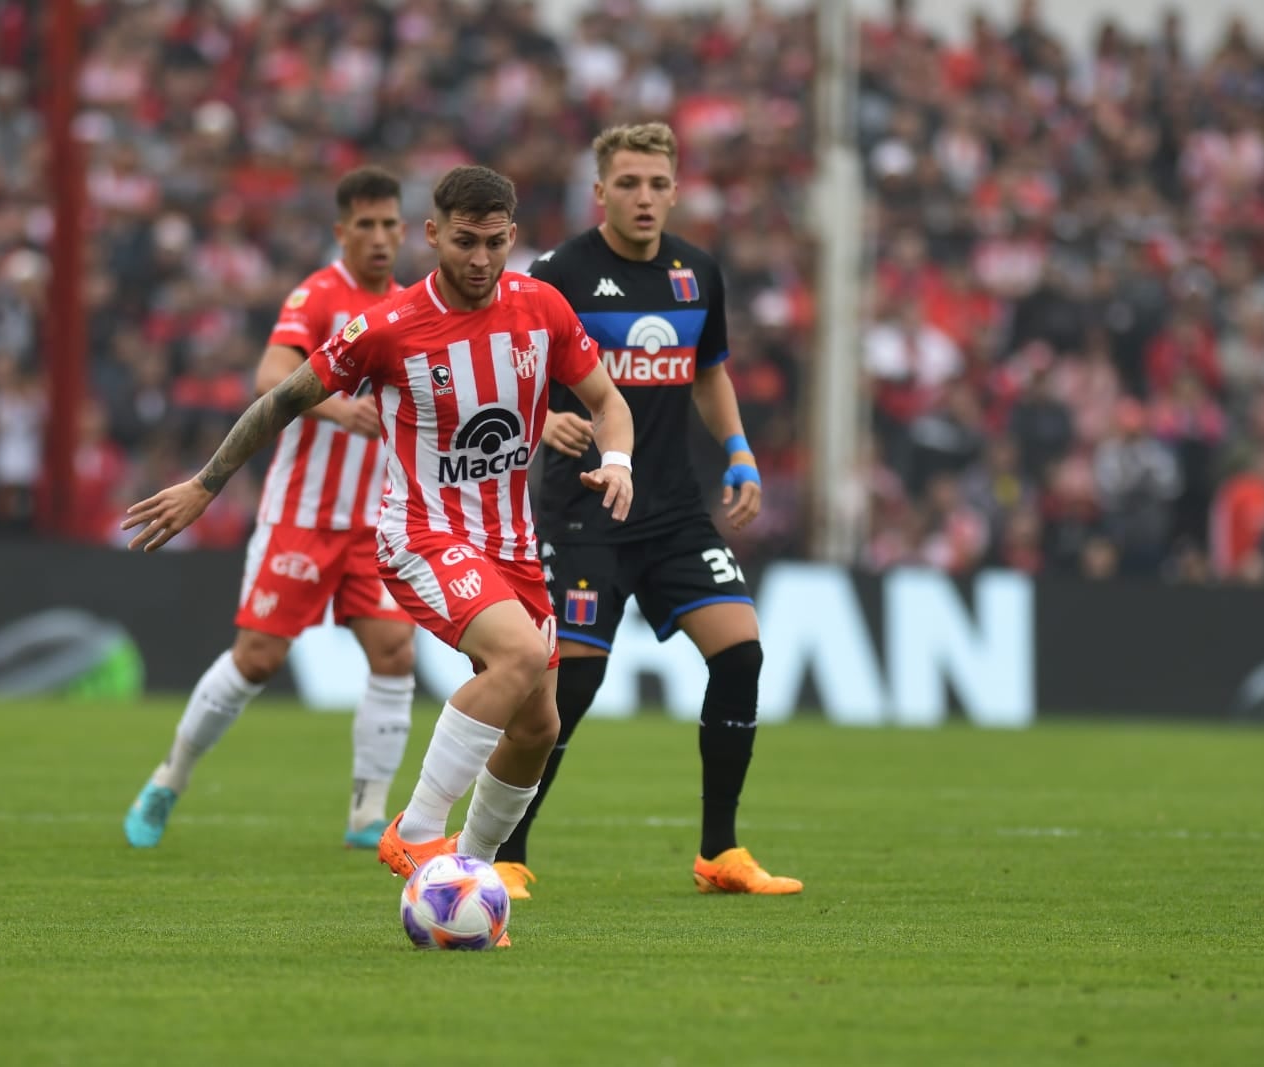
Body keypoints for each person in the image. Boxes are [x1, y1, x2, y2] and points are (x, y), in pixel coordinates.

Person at [123, 166, 636, 928]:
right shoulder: (386, 327)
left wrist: (618, 460)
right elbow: (281, 395)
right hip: (421, 535)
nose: (481, 259)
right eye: (465, 241)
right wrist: (206, 482)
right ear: (432, 235)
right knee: (518, 657)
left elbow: (607, 400)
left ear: (512, 239)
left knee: (539, 726)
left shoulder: (542, 306)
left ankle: (470, 883)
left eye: (496, 243)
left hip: (513, 546)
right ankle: (416, 830)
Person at [495, 122, 804, 898]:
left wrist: (738, 451)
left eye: (657, 184)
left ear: (676, 189)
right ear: (599, 191)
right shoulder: (559, 272)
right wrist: (540, 420)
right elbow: (505, 366)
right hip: (584, 510)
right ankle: (507, 849)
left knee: (740, 651)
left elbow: (709, 373)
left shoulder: (697, 274)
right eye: (628, 183)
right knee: (571, 686)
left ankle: (720, 852)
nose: (644, 197)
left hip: (672, 510)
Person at [123, 167, 420, 850]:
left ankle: (367, 813)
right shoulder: (318, 295)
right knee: (257, 658)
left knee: (395, 651)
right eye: (365, 225)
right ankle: (171, 775)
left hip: (378, 521)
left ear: (404, 231)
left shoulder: (414, 308)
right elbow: (267, 376)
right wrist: (341, 407)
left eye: (388, 225)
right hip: (302, 515)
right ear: (342, 231)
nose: (378, 238)